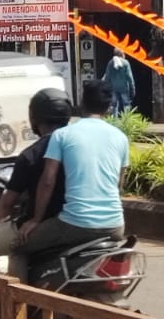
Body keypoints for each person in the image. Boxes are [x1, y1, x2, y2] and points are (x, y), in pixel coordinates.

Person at [0, 89, 73, 278]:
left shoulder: (31, 155)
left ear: (34, 117)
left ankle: (6, 304)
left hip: (51, 225)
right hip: (83, 222)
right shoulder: (79, 147)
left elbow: (8, 202)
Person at [17, 80, 128, 261]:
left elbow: (47, 181)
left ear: (82, 104)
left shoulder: (63, 135)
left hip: (76, 224)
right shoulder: (121, 138)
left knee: (18, 247)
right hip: (115, 226)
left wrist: (36, 220)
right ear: (108, 108)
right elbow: (119, 184)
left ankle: (23, 290)